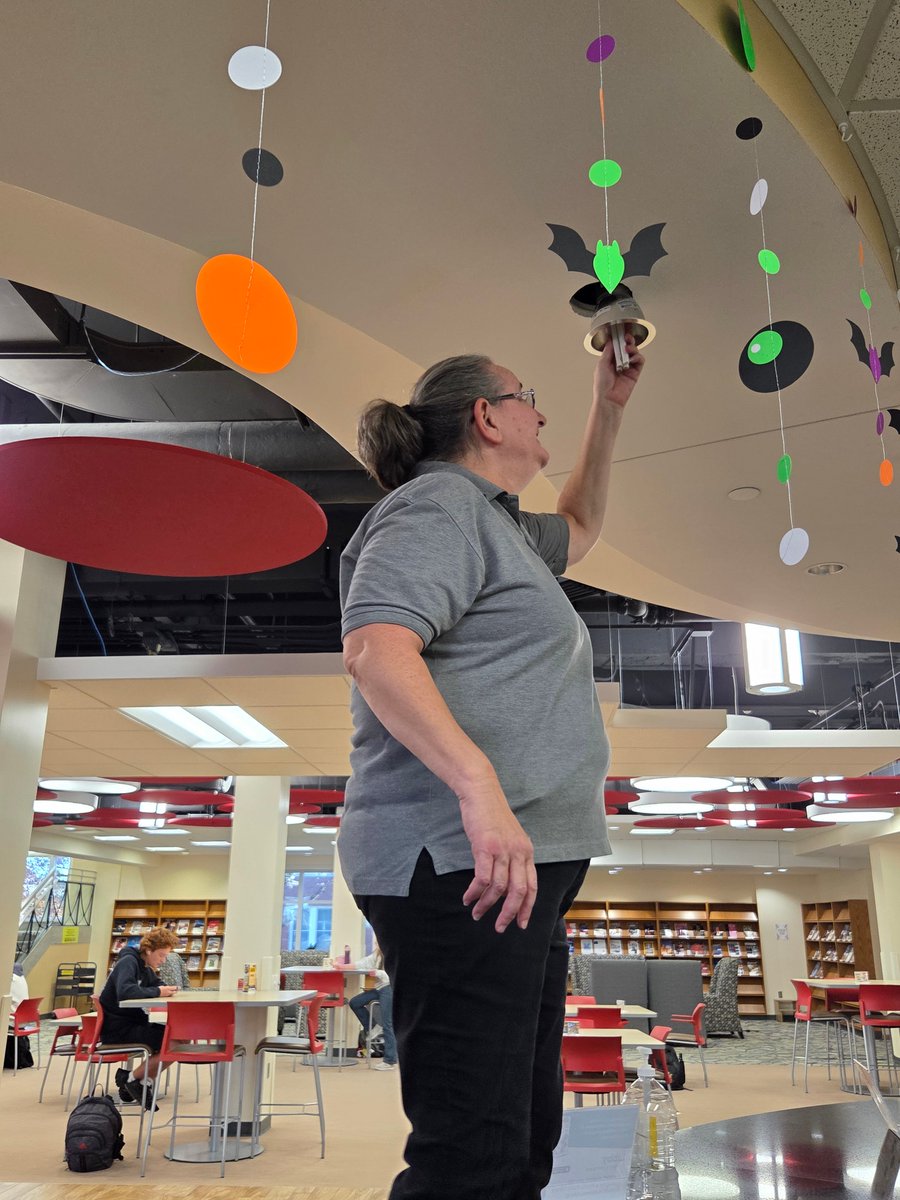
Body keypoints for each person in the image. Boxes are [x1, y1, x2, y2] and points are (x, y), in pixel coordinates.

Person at [339, 335, 643, 1200]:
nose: (539, 410)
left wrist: (607, 406)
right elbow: (376, 649)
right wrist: (479, 787)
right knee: (472, 1156)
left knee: (522, 1143)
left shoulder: (500, 524)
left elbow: (580, 528)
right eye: (529, 396)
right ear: (486, 416)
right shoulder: (438, 508)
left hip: (514, 870)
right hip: (458, 865)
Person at [98, 926, 180, 1108]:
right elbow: (125, 991)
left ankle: (136, 1081)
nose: (163, 960)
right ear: (149, 950)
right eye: (161, 955)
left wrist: (165, 988)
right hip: (118, 1029)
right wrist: (158, 991)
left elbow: (156, 983)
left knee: (179, 1038)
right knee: (176, 1042)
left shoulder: (144, 966)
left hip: (133, 1023)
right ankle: (134, 1080)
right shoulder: (129, 961)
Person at [335, 945, 397, 1071]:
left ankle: (390, 1061)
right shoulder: (378, 954)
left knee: (388, 1024)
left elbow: (394, 973)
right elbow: (362, 963)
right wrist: (341, 967)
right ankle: (373, 1027)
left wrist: (378, 972)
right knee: (355, 1002)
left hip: (389, 988)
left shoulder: (394, 951)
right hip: (379, 988)